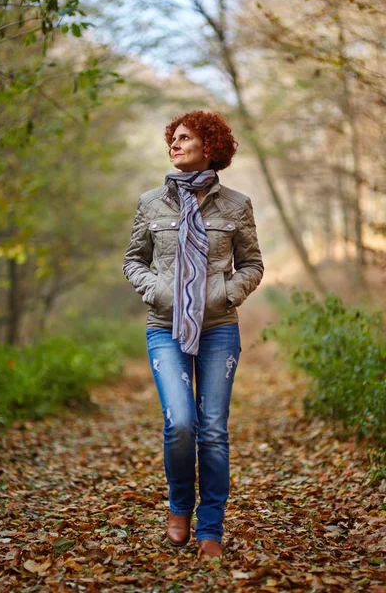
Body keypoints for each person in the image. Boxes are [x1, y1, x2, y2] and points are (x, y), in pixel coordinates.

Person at [122, 110, 264, 560]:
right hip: (165, 327)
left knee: (213, 432)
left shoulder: (236, 205)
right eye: (173, 138)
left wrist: (225, 294)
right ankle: (180, 505)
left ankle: (211, 528)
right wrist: (158, 291)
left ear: (210, 146)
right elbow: (133, 261)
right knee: (180, 423)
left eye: (185, 138)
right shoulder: (151, 203)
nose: (175, 144)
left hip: (219, 328)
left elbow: (253, 264)